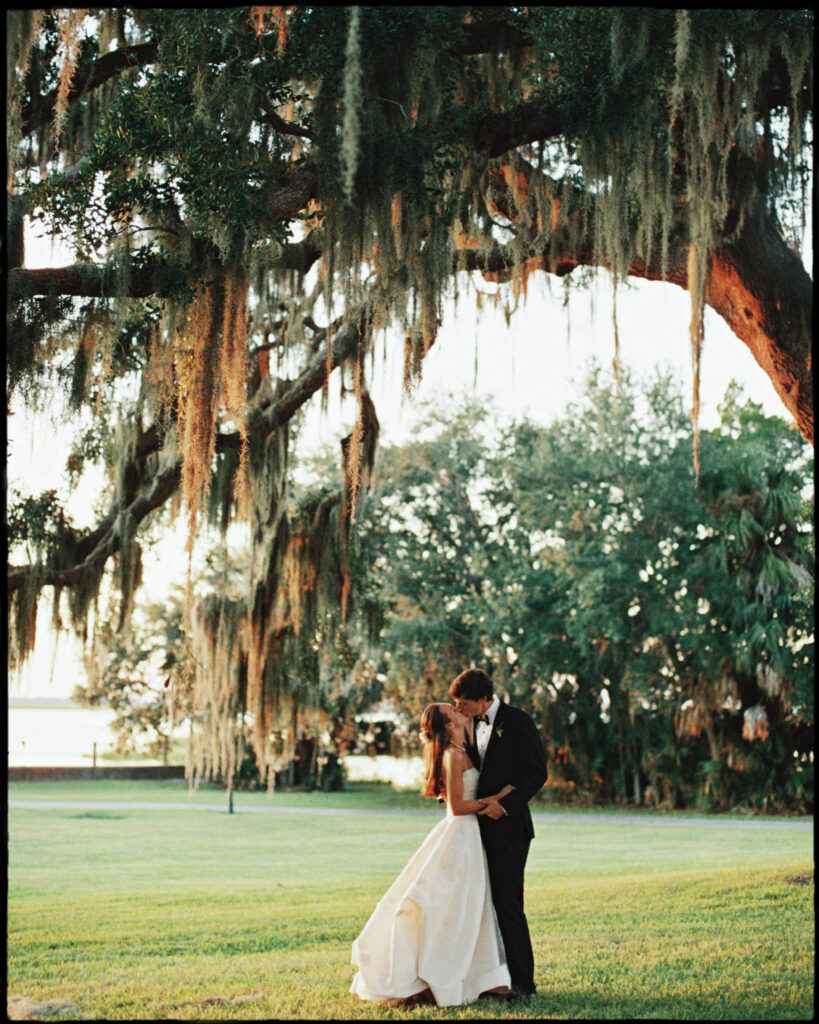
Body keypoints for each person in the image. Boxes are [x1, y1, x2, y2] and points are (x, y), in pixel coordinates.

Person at [349, 703, 514, 1007]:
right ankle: (433, 974)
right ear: (449, 724)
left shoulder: (463, 751)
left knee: (469, 904)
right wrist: (494, 800)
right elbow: (457, 807)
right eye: (452, 710)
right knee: (448, 905)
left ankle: (483, 974)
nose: (457, 709)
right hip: (459, 835)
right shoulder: (452, 756)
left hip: (470, 838)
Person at [449, 668, 548, 998]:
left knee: (508, 904)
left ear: (484, 699)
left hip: (511, 830)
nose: (459, 709)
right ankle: (490, 979)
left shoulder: (518, 721)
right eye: (456, 703)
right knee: (479, 903)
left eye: (464, 703)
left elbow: (537, 773)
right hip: (474, 831)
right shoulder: (468, 724)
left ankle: (523, 983)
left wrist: (504, 807)